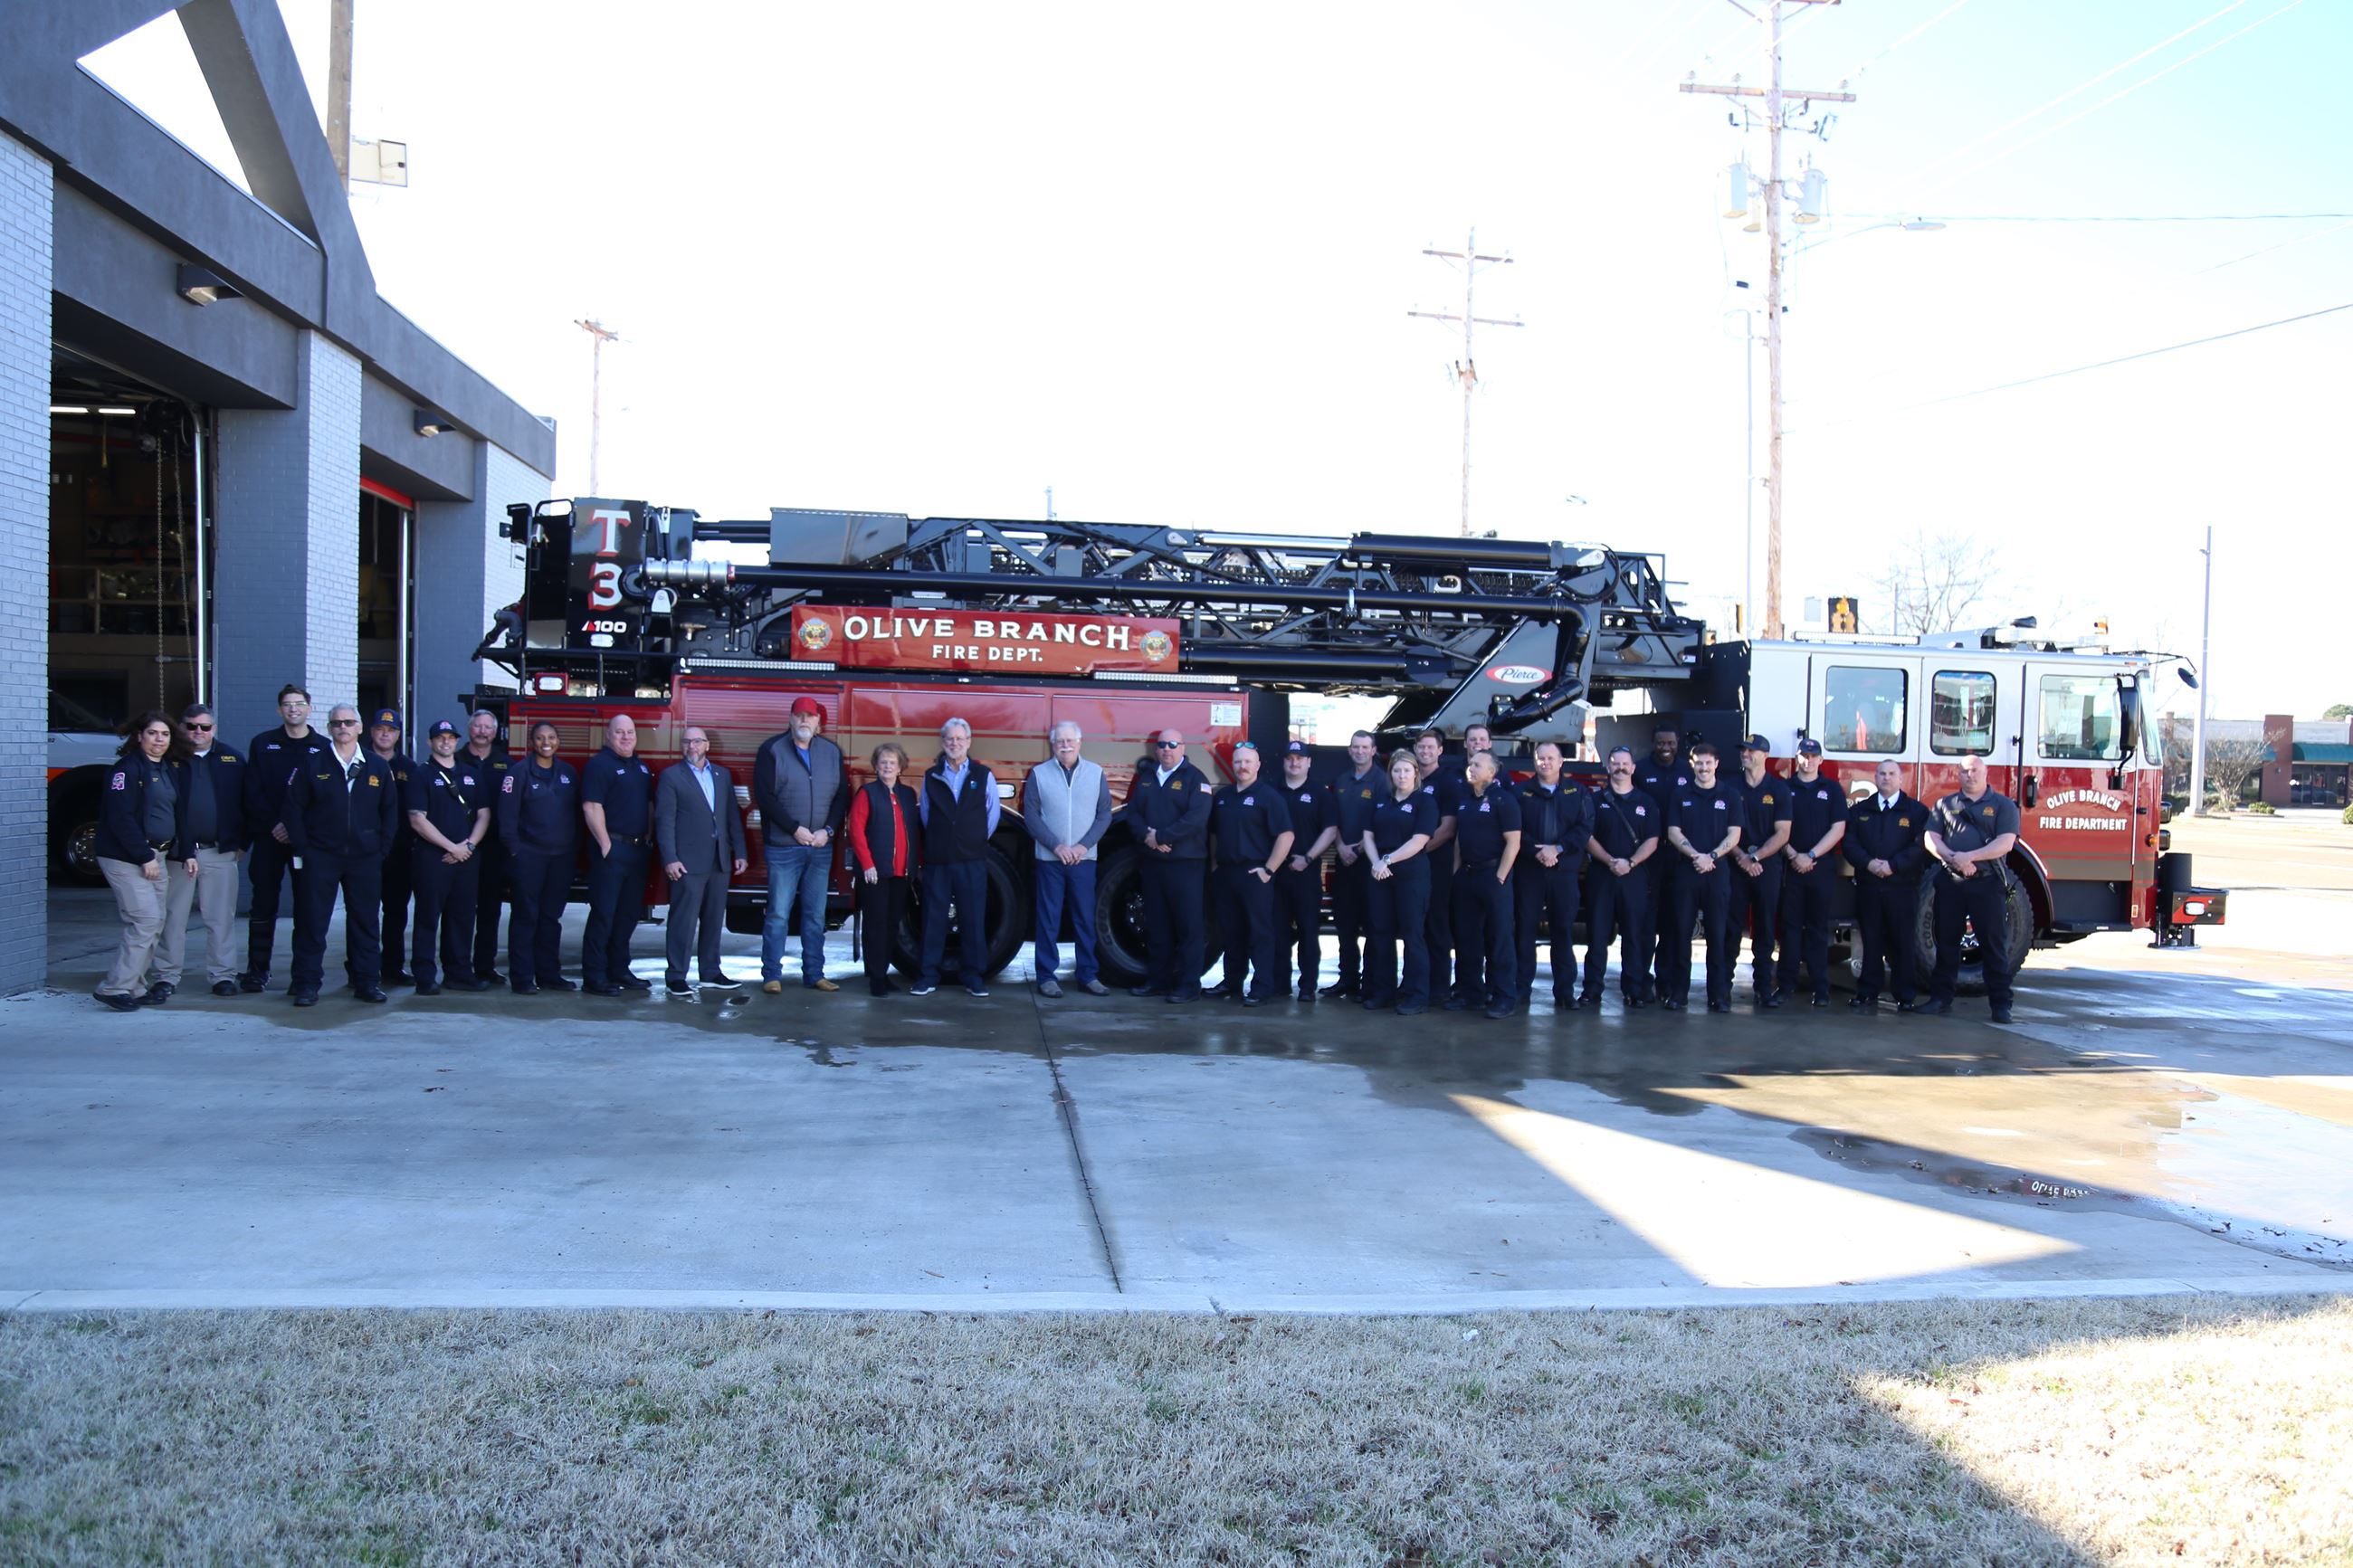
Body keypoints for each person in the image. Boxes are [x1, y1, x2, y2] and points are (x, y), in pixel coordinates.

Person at [281, 704, 400, 1006]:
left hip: (365, 857)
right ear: (329, 728)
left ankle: (367, 982)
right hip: (322, 856)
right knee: (313, 921)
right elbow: (294, 809)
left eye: (348, 722)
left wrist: (381, 848)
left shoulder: (376, 766)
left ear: (360, 728)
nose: (342, 728)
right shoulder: (314, 764)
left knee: (365, 922)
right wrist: (305, 849)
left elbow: (389, 811)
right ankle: (307, 984)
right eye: (336, 723)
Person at [238, 683, 331, 991]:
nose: (293, 709)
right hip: (268, 838)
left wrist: (295, 828)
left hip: (304, 842)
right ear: (280, 710)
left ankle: (301, 976)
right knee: (263, 904)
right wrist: (276, 824)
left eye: (299, 703)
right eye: (287, 704)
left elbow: (323, 797)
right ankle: (257, 971)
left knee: (307, 907)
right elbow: (253, 792)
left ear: (309, 708)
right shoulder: (263, 744)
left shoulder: (323, 747)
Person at [754, 696, 848, 993]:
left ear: (819, 721)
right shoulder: (771, 750)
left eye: (811, 716)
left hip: (820, 848)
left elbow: (841, 797)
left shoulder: (831, 753)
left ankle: (815, 974)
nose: (805, 721)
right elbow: (765, 797)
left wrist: (829, 831)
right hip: (784, 846)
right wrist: (794, 829)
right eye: (799, 715)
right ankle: (771, 976)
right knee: (779, 912)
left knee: (815, 914)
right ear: (790, 719)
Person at [93, 712, 186, 1012]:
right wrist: (144, 856)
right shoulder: (127, 769)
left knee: (155, 922)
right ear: (139, 736)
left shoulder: (166, 769)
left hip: (155, 856)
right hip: (127, 857)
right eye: (153, 733)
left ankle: (133, 987)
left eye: (165, 734)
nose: (159, 739)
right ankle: (114, 987)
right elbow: (121, 819)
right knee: (144, 920)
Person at [1921, 754, 2022, 1023]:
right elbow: (1931, 839)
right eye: (1965, 771)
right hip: (1951, 882)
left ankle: (2001, 1005)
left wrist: (1971, 857)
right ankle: (1941, 998)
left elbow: (2006, 843)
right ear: (1958, 774)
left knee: (1994, 945)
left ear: (1986, 772)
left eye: (1975, 770)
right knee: (1946, 943)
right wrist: (1952, 858)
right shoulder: (1945, 804)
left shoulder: (2003, 806)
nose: (1970, 775)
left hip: (1987, 884)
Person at [1119, 727, 1213, 1003]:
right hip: (1153, 863)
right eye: (1161, 745)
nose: (1167, 749)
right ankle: (1158, 981)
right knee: (1157, 926)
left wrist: (1161, 836)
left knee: (1188, 927)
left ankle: (1188, 985)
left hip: (1185, 865)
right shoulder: (1147, 779)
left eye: (1173, 744)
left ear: (1183, 747)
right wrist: (1149, 839)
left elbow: (1197, 819)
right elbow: (1133, 813)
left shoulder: (1197, 779)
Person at [1021, 721, 1114, 999]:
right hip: (1050, 860)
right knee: (1048, 919)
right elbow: (1032, 816)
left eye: (1070, 740)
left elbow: (1104, 814)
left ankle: (1087, 975)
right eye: (1060, 741)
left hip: (1084, 860)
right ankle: (1046, 977)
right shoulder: (1039, 774)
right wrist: (1056, 846)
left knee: (1085, 918)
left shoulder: (1096, 773)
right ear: (1053, 744)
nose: (1065, 745)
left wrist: (1083, 846)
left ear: (1080, 742)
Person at [161, 703, 246, 998]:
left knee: (220, 918)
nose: (198, 732)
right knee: (172, 917)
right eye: (191, 726)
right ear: (181, 727)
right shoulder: (168, 758)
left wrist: (241, 843)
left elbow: (246, 804)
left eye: (205, 727)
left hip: (219, 852)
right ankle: (166, 977)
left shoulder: (232, 759)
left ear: (214, 729)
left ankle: (222, 975)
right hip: (177, 854)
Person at [657, 725, 748, 998]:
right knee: (683, 922)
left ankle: (710, 972)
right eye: (686, 742)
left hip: (719, 860)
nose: (691, 747)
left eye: (697, 742)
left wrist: (740, 852)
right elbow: (665, 821)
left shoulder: (722, 775)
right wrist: (670, 859)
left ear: (707, 745)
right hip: (687, 862)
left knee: (713, 919)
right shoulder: (671, 777)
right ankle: (676, 976)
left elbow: (732, 816)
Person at [404, 719, 492, 994]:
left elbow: (484, 814)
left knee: (463, 917)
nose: (445, 742)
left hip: (466, 857)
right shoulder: (421, 775)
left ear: (457, 741)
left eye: (450, 738)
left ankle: (459, 973)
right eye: (439, 738)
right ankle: (425, 976)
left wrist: (468, 846)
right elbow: (417, 819)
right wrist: (451, 848)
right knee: (428, 917)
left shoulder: (471, 773)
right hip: (433, 858)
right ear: (430, 743)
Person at [914, 717, 1000, 999]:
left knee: (972, 918)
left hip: (971, 859)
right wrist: (945, 839)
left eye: (960, 739)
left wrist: (971, 839)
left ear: (969, 742)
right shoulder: (931, 776)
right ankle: (927, 976)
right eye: (950, 739)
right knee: (933, 919)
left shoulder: (983, 775)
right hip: (939, 859)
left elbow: (992, 815)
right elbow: (926, 814)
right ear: (943, 743)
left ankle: (974, 977)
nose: (955, 744)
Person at [1207, 743, 1296, 1006]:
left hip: (1255, 874)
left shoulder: (1269, 797)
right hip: (1226, 873)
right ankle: (1231, 982)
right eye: (1238, 762)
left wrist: (1269, 869)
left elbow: (1286, 834)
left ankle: (1262, 987)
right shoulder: (1223, 796)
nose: (1242, 767)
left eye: (1247, 762)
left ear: (1258, 765)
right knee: (1230, 931)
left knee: (1260, 933)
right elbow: (1214, 834)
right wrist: (1214, 865)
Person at [496, 721, 579, 994]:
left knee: (550, 919)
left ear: (558, 741)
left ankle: (549, 975)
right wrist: (517, 853)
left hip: (560, 859)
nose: (547, 742)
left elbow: (576, 815)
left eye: (552, 737)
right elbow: (506, 820)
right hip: (529, 857)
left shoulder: (567, 773)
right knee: (525, 917)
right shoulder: (518, 774)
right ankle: (522, 978)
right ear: (533, 742)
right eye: (541, 737)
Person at [1511, 740, 1592, 1012]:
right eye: (1540, 758)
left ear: (1561, 762)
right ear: (1534, 761)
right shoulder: (1521, 792)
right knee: (1524, 931)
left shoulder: (1577, 792)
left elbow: (1584, 828)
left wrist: (1557, 849)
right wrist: (1538, 851)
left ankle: (1565, 992)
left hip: (1563, 871)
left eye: (1550, 758)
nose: (1545, 762)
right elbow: (1514, 829)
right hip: (1530, 871)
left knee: (1563, 932)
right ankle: (1521, 989)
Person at [1662, 740, 1744, 1012]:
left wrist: (1712, 857)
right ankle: (1678, 993)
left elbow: (1735, 834)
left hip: (1717, 872)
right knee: (1681, 934)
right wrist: (1696, 856)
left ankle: (1718, 996)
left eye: (1708, 763)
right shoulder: (1680, 794)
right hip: (1687, 871)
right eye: (1699, 763)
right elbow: (1674, 832)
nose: (1704, 768)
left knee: (1718, 936)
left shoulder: (1730, 795)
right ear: (1692, 764)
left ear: (1716, 764)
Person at [580, 714, 658, 995]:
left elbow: (648, 804)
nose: (625, 737)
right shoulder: (599, 765)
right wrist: (605, 844)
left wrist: (648, 835)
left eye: (630, 733)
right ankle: (594, 977)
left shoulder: (640, 767)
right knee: (604, 914)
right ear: (608, 736)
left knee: (627, 916)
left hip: (637, 851)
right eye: (619, 732)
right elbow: (591, 807)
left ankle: (619, 970)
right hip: (612, 850)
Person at [1844, 758, 1929, 1013]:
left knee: (1902, 942)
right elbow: (1850, 844)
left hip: (1901, 887)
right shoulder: (1861, 810)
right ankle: (1868, 991)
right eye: (1882, 773)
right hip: (1869, 887)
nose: (1886, 778)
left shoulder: (1916, 812)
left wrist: (1894, 865)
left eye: (1892, 774)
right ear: (1875, 777)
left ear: (1901, 779)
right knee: (1871, 941)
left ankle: (1905, 995)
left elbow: (1920, 847)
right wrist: (1870, 864)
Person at [1582, 745, 1662, 1007]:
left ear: (1633, 768)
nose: (1620, 768)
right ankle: (1592, 990)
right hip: (1601, 875)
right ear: (1608, 767)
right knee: (1597, 935)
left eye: (1625, 763)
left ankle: (1634, 989)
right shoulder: (1595, 800)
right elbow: (1587, 837)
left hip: (1634, 875)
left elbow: (1653, 840)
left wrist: (1630, 862)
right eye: (1615, 763)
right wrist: (1609, 861)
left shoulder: (1647, 802)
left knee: (1634, 935)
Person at [1362, 749, 1437, 1015]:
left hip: (1410, 875)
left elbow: (1420, 840)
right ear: (1390, 774)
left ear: (1415, 773)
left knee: (1412, 935)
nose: (1401, 775)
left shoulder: (1424, 802)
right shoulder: (1381, 801)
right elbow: (1368, 836)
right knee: (1380, 933)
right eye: (1397, 770)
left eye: (1407, 770)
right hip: (1380, 874)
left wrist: (1388, 860)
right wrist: (1376, 863)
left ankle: (1415, 995)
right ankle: (1383, 992)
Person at [1776, 739, 1847, 1008]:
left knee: (1818, 930)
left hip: (1820, 867)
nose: (1808, 760)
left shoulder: (1831, 789)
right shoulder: (1784, 788)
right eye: (1804, 755)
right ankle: (1785, 986)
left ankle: (1821, 989)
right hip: (1790, 867)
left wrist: (1811, 856)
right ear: (1797, 758)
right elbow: (1777, 829)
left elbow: (1838, 828)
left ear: (1821, 760)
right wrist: (1794, 855)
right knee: (1790, 929)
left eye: (1813, 755)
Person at [1450, 750, 1522, 1018]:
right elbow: (1458, 839)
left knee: (1500, 938)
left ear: (1492, 772)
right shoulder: (1465, 800)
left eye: (1477, 765)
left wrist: (1501, 877)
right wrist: (1456, 872)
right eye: (1470, 763)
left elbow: (1513, 842)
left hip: (1493, 876)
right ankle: (1471, 992)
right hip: (1467, 877)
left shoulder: (1504, 800)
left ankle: (1504, 997)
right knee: (1467, 938)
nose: (1471, 767)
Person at [844, 742, 917, 997]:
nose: (887, 766)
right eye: (883, 762)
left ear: (900, 768)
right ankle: (875, 978)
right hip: (874, 873)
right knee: (875, 926)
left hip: (900, 874)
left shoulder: (908, 795)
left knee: (891, 926)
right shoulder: (867, 793)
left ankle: (883, 973)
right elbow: (856, 830)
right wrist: (867, 864)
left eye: (892, 763)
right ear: (876, 766)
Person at [1730, 736, 1793, 1009]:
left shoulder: (1778, 790)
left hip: (1766, 867)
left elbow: (1783, 833)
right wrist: (1741, 856)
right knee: (1730, 928)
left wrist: (1755, 856)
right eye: (1743, 749)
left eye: (1751, 750)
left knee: (1765, 929)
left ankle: (1763, 988)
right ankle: (1721, 987)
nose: (1745, 754)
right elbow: (1725, 830)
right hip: (1735, 865)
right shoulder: (1731, 787)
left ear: (1765, 755)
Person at [1273, 741, 1338, 1001]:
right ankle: (1279, 983)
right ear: (1284, 762)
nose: (1294, 762)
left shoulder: (1321, 793)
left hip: (1307, 872)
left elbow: (1331, 830)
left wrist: (1309, 858)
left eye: (1300, 758)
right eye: (1289, 758)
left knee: (1308, 932)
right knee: (1277, 930)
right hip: (1277, 872)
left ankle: (1308, 986)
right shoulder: (1272, 790)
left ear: (1309, 762)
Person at [1321, 730, 1384, 999]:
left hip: (1369, 863)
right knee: (1344, 925)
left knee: (1372, 924)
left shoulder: (1382, 781)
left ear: (1373, 750)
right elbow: (1331, 819)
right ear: (1349, 750)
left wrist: (1358, 848)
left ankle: (1369, 985)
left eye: (1364, 747)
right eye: (1355, 747)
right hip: (1344, 859)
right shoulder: (1342, 780)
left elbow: (1384, 821)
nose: (1359, 751)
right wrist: (1342, 846)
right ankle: (1347, 980)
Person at [1633, 723, 1691, 1002]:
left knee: (1672, 921)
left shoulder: (1687, 771)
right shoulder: (1641, 770)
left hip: (1678, 857)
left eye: (1670, 742)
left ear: (1677, 741)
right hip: (1648, 856)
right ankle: (1642, 981)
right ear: (1652, 743)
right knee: (1646, 921)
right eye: (1660, 743)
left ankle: (1666, 981)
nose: (1665, 748)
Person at [461, 709, 514, 984]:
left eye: (487, 728)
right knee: (459, 910)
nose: (482, 731)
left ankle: (485, 967)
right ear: (470, 729)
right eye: (477, 726)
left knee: (490, 911)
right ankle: (457, 967)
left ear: (495, 732)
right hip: (460, 848)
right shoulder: (454, 760)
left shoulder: (506, 764)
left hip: (492, 849)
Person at [367, 708, 417, 985]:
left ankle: (392, 968)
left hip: (399, 854)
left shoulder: (409, 768)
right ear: (371, 731)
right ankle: (361, 969)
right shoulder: (358, 761)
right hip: (365, 852)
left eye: (391, 730)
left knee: (396, 914)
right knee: (363, 913)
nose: (385, 734)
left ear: (398, 734)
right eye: (380, 729)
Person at [1413, 731, 1463, 1005]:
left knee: (1437, 927)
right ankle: (1415, 984)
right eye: (1421, 747)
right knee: (1412, 928)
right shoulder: (1408, 778)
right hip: (1409, 868)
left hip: (1436, 866)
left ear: (1440, 750)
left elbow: (1448, 828)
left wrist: (1415, 851)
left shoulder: (1447, 782)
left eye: (1431, 747)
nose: (1425, 751)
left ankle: (1440, 988)